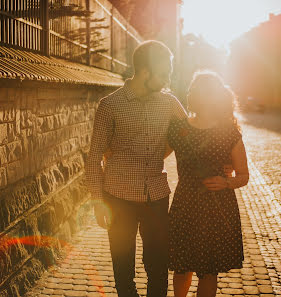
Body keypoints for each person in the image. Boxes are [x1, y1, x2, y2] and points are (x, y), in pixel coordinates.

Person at [85, 40, 187, 297]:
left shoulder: (169, 103)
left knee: (158, 267)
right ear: (144, 72)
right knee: (123, 270)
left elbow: (192, 137)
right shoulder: (110, 105)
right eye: (164, 74)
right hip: (117, 197)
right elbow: (95, 154)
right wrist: (97, 200)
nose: (167, 80)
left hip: (156, 195)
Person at [167, 71, 249, 297]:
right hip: (185, 205)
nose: (195, 95)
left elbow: (243, 175)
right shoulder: (178, 128)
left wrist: (225, 182)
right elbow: (155, 155)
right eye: (194, 91)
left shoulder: (228, 133)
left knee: (208, 272)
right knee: (182, 268)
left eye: (200, 91)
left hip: (217, 209)